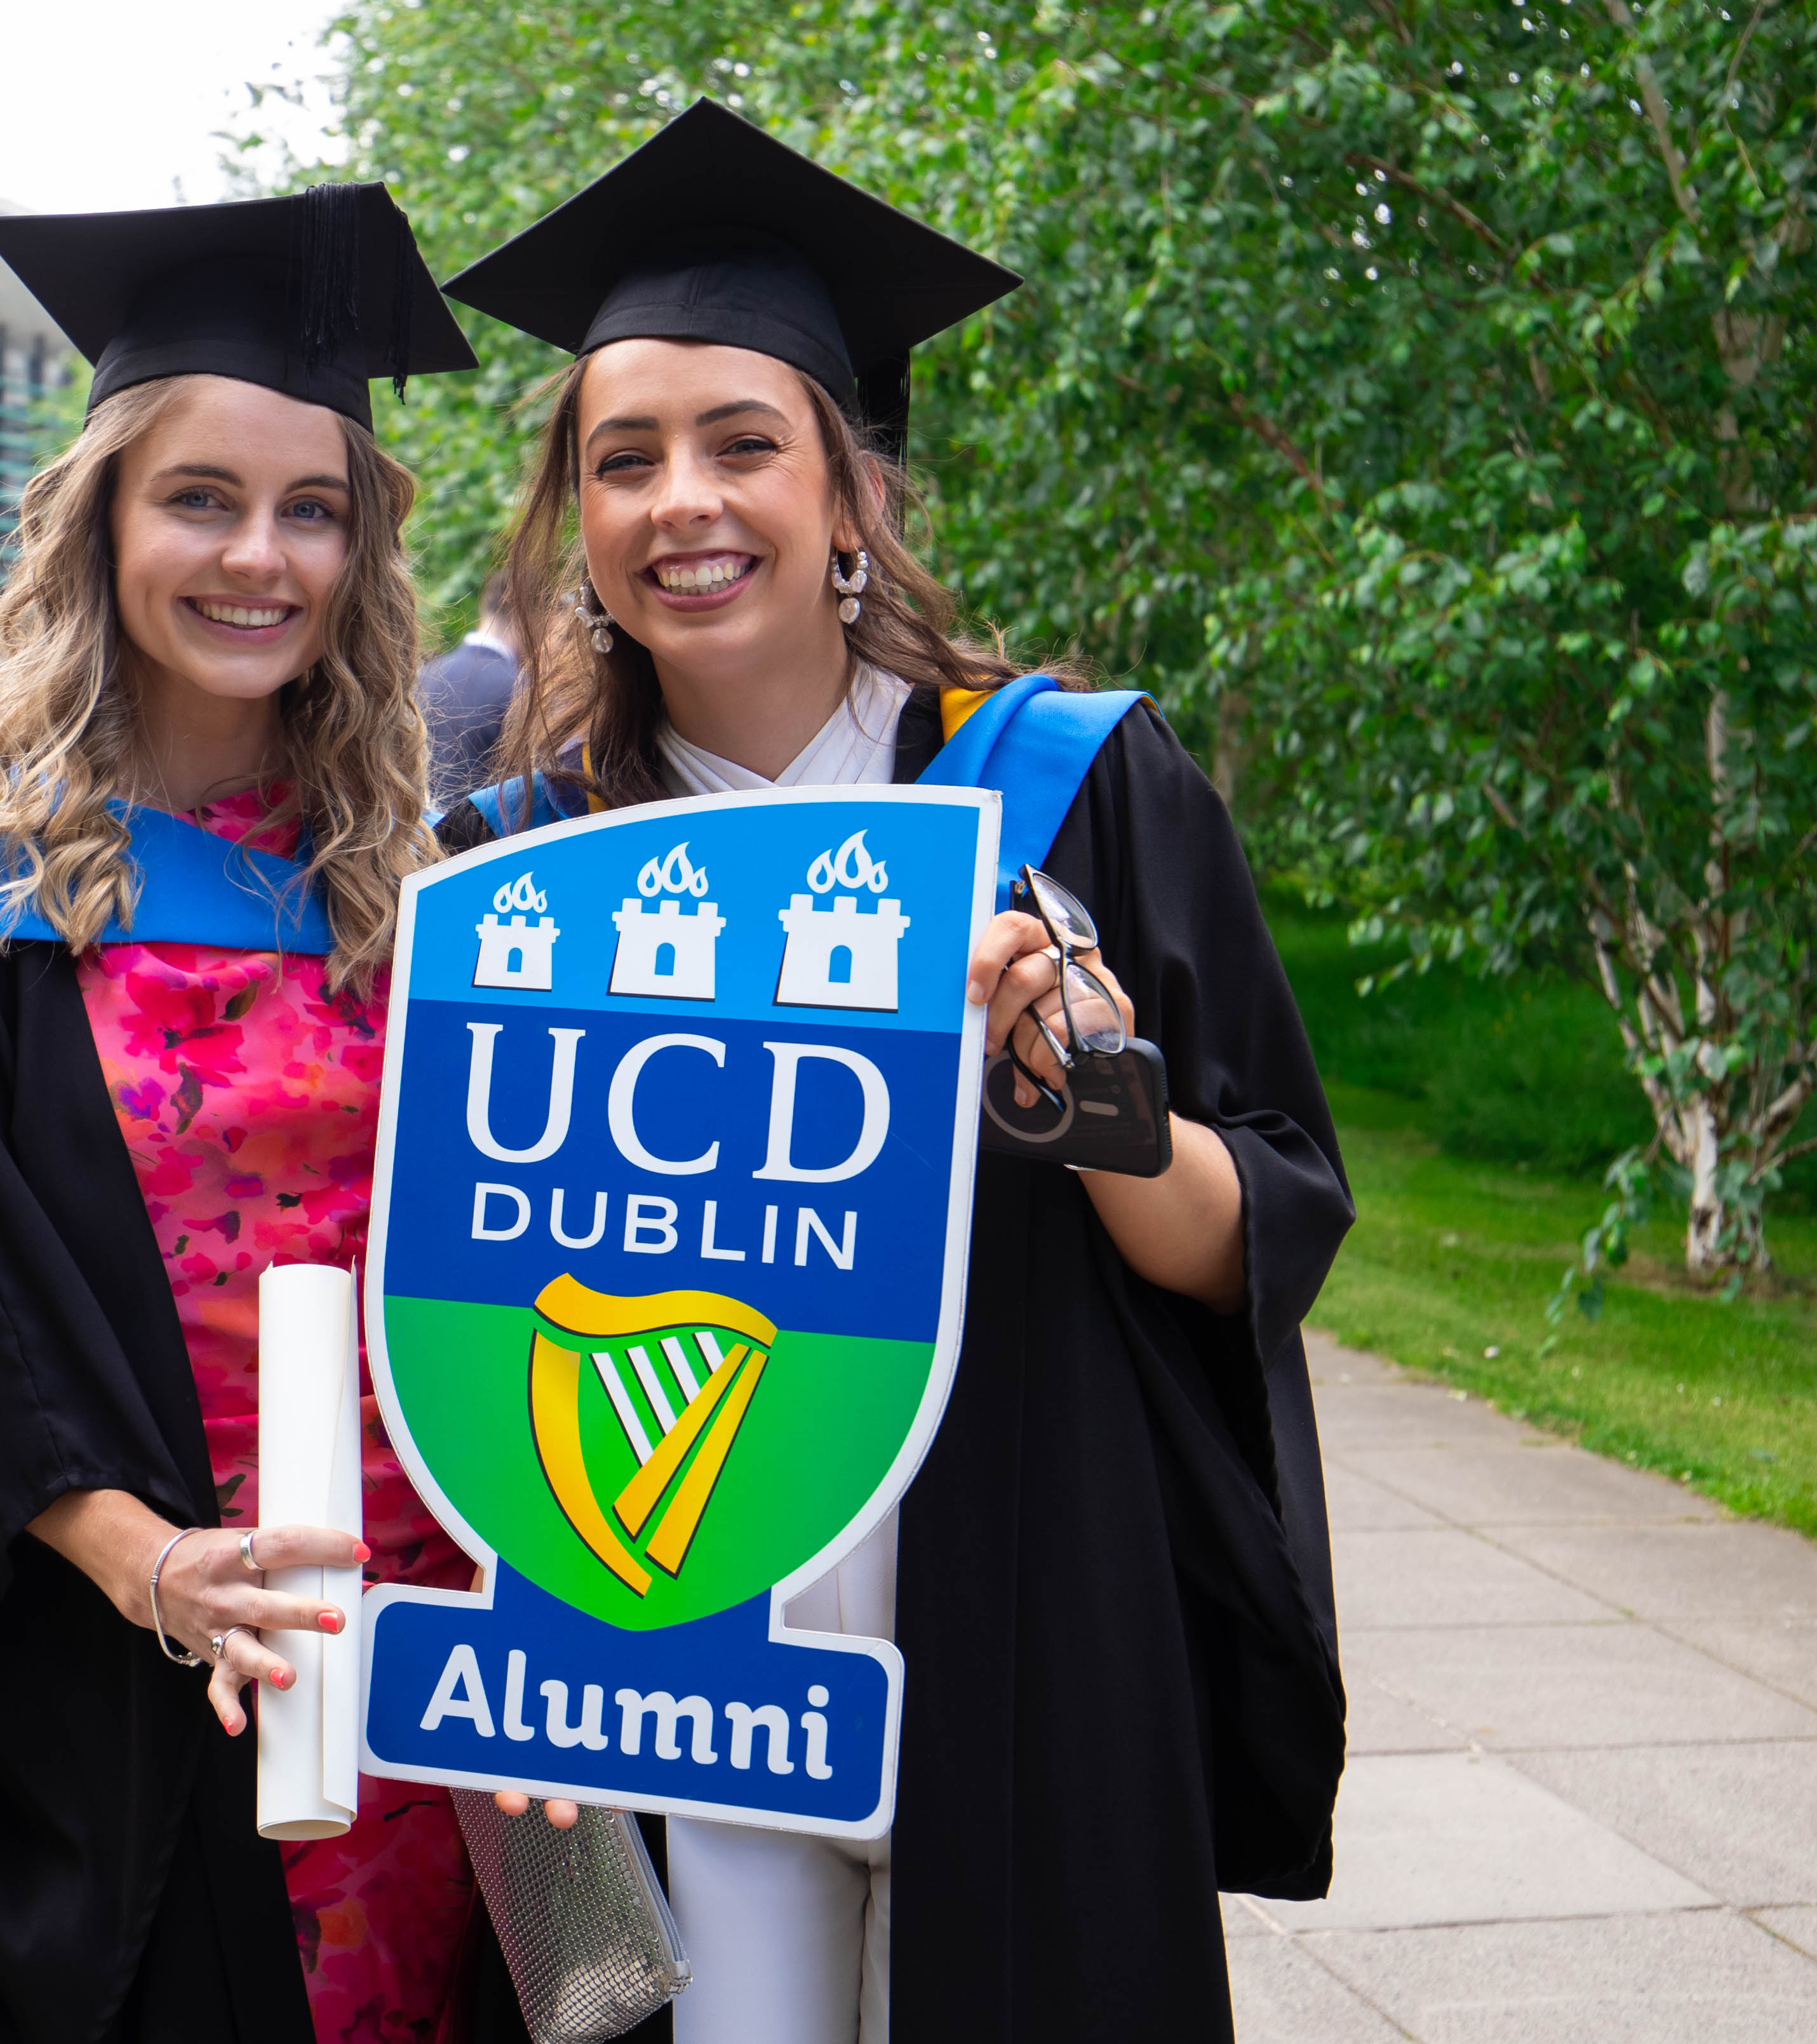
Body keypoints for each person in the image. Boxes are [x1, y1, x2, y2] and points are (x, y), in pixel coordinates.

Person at [436, 102, 1350, 2043]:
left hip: (1017, 1614)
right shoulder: (509, 865)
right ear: (574, 526)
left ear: (852, 493)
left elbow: (1258, 1232)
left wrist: (1086, 1087)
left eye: (742, 442)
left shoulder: (1072, 783)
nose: (681, 496)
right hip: (664, 1646)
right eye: (623, 459)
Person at [0, 184, 479, 2041]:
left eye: (314, 510)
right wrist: (156, 1567)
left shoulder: (424, 898)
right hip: (121, 1684)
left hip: (426, 1688)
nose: (258, 558)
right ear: (102, 521)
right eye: (200, 497)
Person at [415, 578, 521, 804]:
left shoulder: (424, 676)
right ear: (527, 615)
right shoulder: (519, 686)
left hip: (420, 833)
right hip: (491, 835)